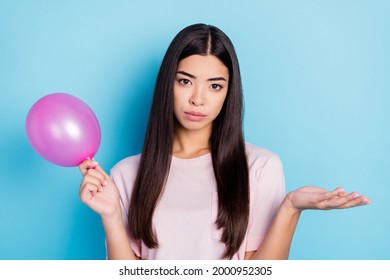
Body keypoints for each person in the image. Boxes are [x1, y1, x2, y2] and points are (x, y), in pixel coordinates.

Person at [78, 23, 371, 260]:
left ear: (229, 92)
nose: (198, 98)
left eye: (215, 85)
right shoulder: (126, 174)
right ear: (167, 84)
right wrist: (112, 216)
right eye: (185, 81)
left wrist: (290, 207)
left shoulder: (259, 166)